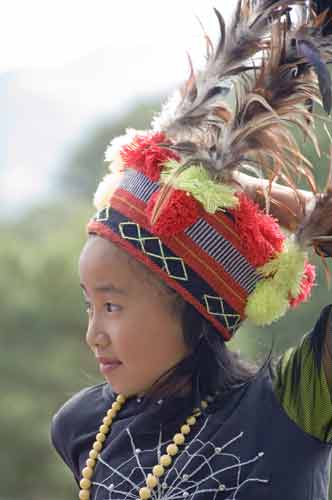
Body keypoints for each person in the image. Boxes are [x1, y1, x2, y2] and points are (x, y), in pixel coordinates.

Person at [51, 1, 332, 499]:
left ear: (194, 307)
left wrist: (269, 198)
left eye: (112, 305)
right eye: (89, 305)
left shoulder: (290, 406)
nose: (94, 333)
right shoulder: (82, 427)